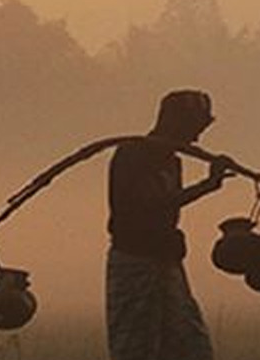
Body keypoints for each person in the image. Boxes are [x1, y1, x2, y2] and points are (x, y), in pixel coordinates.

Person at [106, 89, 231, 360]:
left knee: (190, 346)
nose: (196, 138)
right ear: (174, 123)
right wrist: (207, 186)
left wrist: (209, 185)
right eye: (192, 128)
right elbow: (152, 203)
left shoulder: (172, 161)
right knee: (135, 346)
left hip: (165, 262)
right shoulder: (133, 155)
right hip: (135, 263)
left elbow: (167, 205)